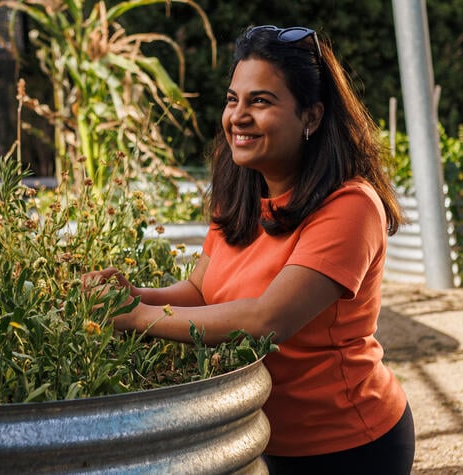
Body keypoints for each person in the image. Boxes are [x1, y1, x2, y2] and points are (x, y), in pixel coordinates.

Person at [83, 25, 415, 473]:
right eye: (232, 99)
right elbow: (200, 291)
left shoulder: (350, 206)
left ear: (311, 117)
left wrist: (140, 318)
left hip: (348, 443)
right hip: (264, 436)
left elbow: (267, 320)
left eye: (260, 101)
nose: (238, 115)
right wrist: (131, 297)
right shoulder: (241, 195)